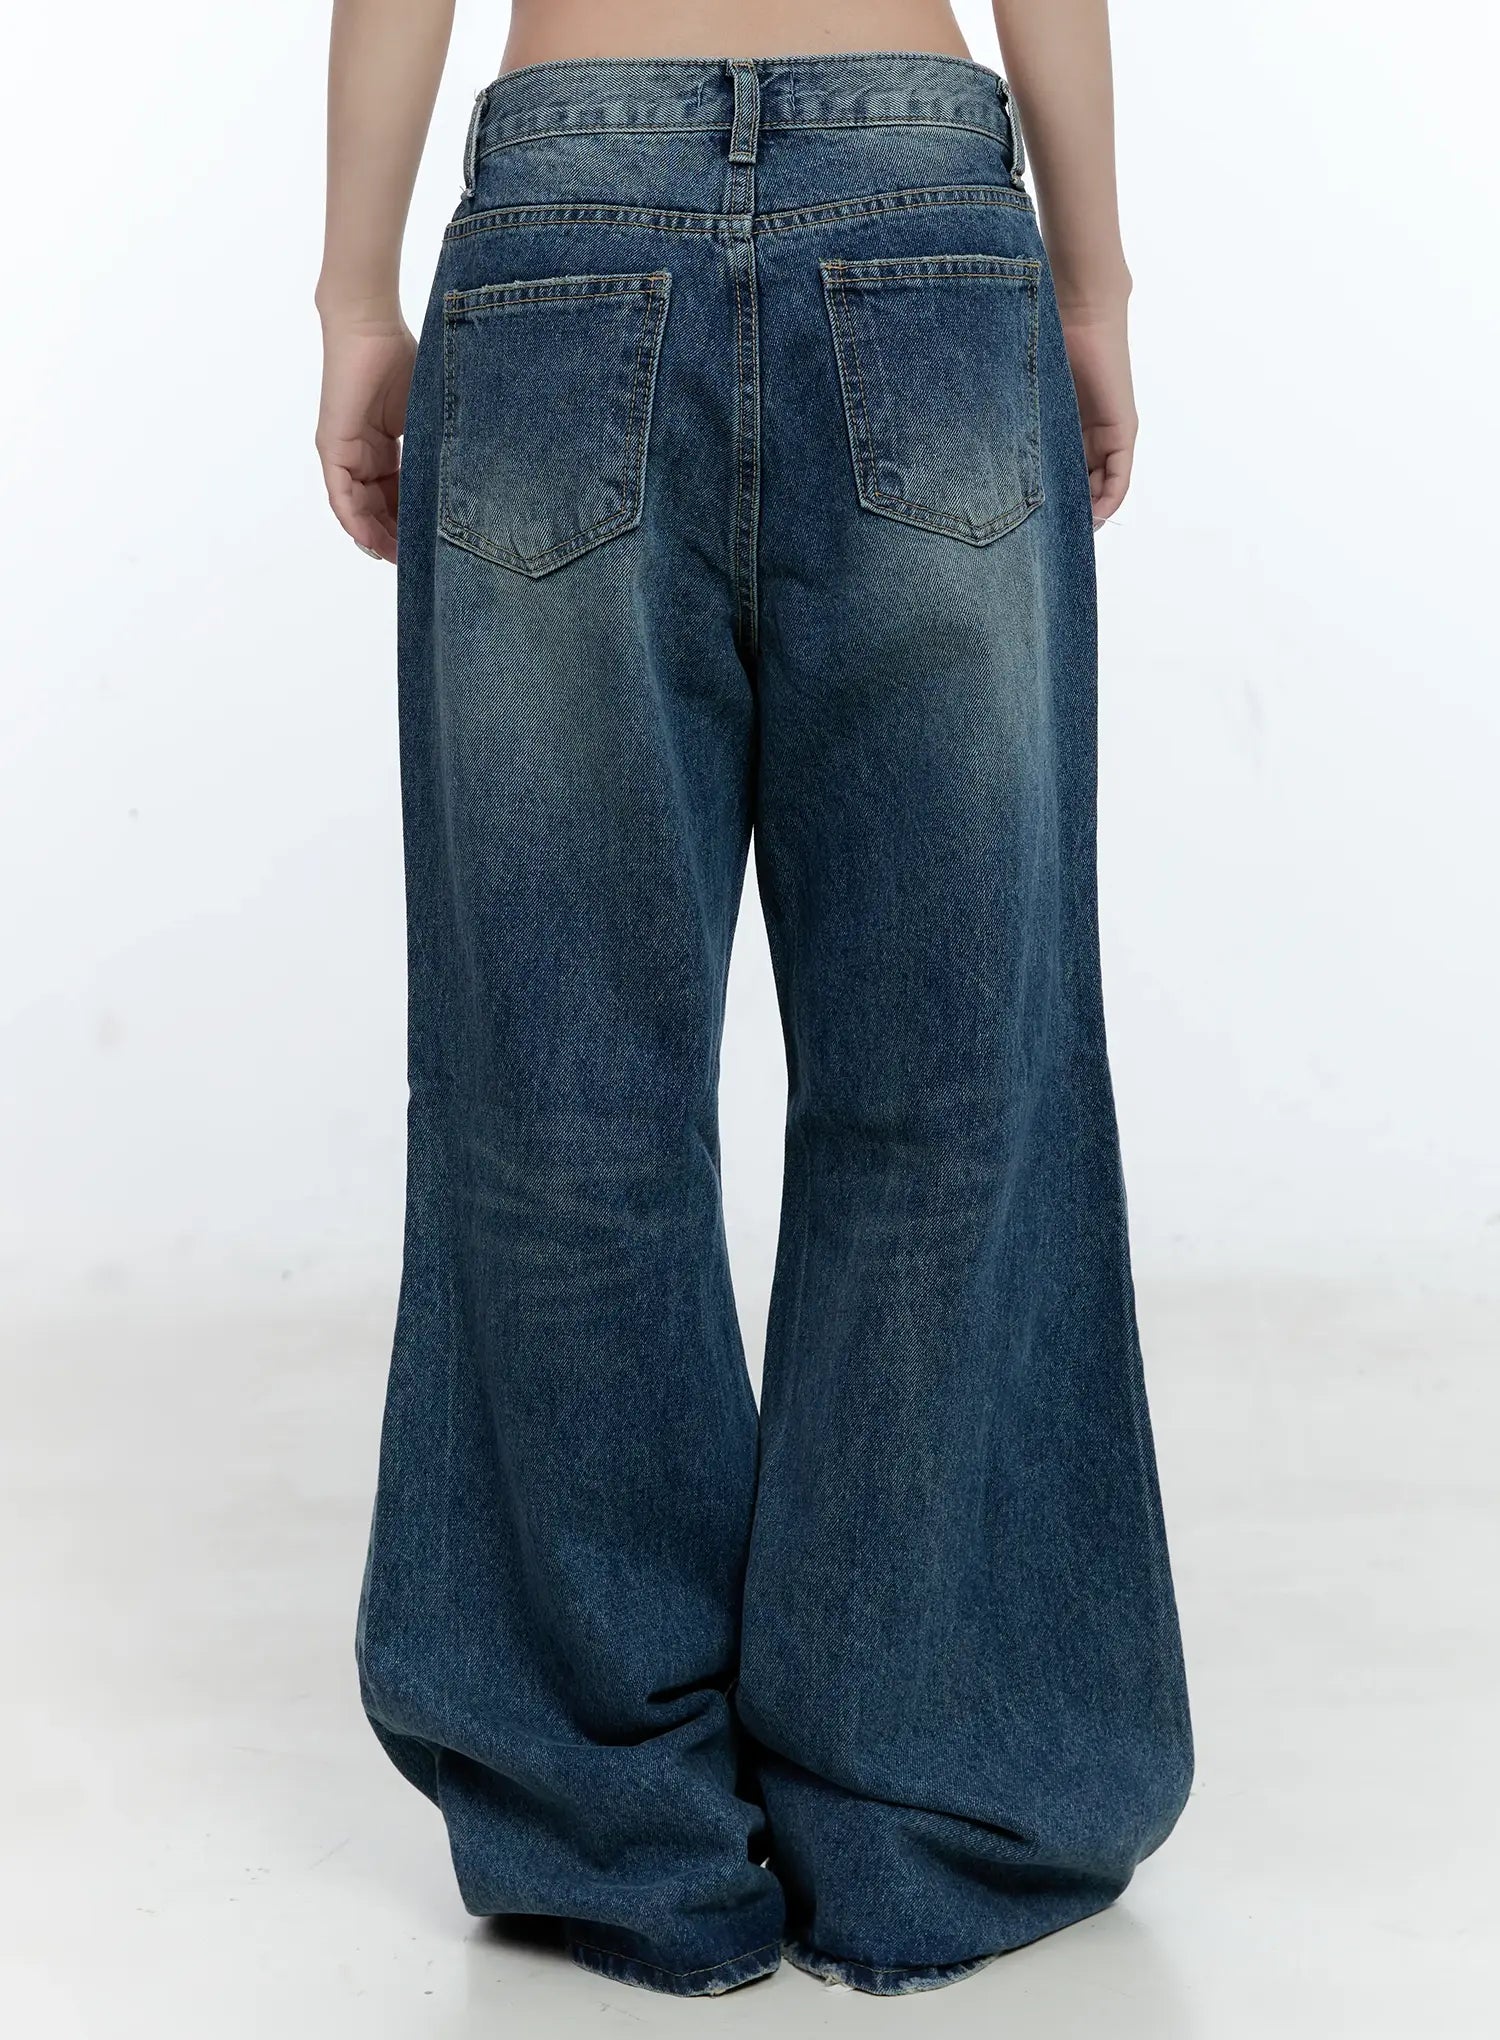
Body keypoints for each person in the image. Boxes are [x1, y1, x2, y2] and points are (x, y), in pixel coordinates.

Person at [315, 0, 1193, 2000]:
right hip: (920, 213)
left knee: (559, 1105)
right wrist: (1092, 283)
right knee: (953, 1084)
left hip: (564, 217)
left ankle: (618, 1827)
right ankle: (919, 1797)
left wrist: (357, 295)